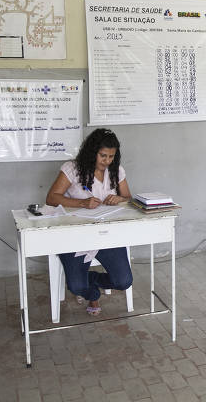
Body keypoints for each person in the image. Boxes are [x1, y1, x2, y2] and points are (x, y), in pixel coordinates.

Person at [45, 128, 133, 316]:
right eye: (102, 156)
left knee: (124, 281)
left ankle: (92, 279)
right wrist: (81, 203)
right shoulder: (72, 169)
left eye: (111, 157)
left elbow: (129, 198)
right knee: (77, 286)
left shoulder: (117, 170)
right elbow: (52, 198)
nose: (106, 161)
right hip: (74, 235)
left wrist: (120, 199)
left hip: (106, 235)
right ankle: (91, 292)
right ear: (92, 151)